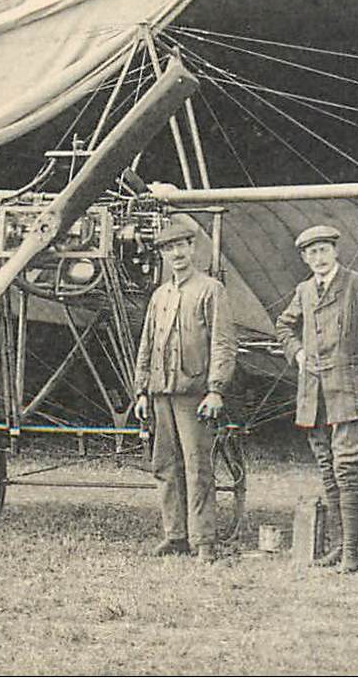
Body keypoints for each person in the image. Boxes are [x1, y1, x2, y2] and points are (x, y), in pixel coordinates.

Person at [274, 225, 358, 573]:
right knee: (328, 470)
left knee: (347, 468)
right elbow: (283, 325)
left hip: (352, 393)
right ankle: (337, 546)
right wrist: (298, 352)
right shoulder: (305, 290)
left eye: (323, 250)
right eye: (311, 253)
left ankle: (350, 553)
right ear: (304, 258)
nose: (318, 258)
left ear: (335, 252)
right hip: (315, 397)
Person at [132, 217, 237, 564]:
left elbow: (223, 344)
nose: (176, 253)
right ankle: (174, 535)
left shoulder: (211, 290)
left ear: (192, 248)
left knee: (197, 466)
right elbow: (147, 344)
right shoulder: (160, 295)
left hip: (195, 395)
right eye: (168, 248)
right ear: (161, 254)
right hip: (160, 393)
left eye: (181, 246)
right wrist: (142, 391)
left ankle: (204, 540)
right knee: (164, 465)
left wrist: (216, 390)